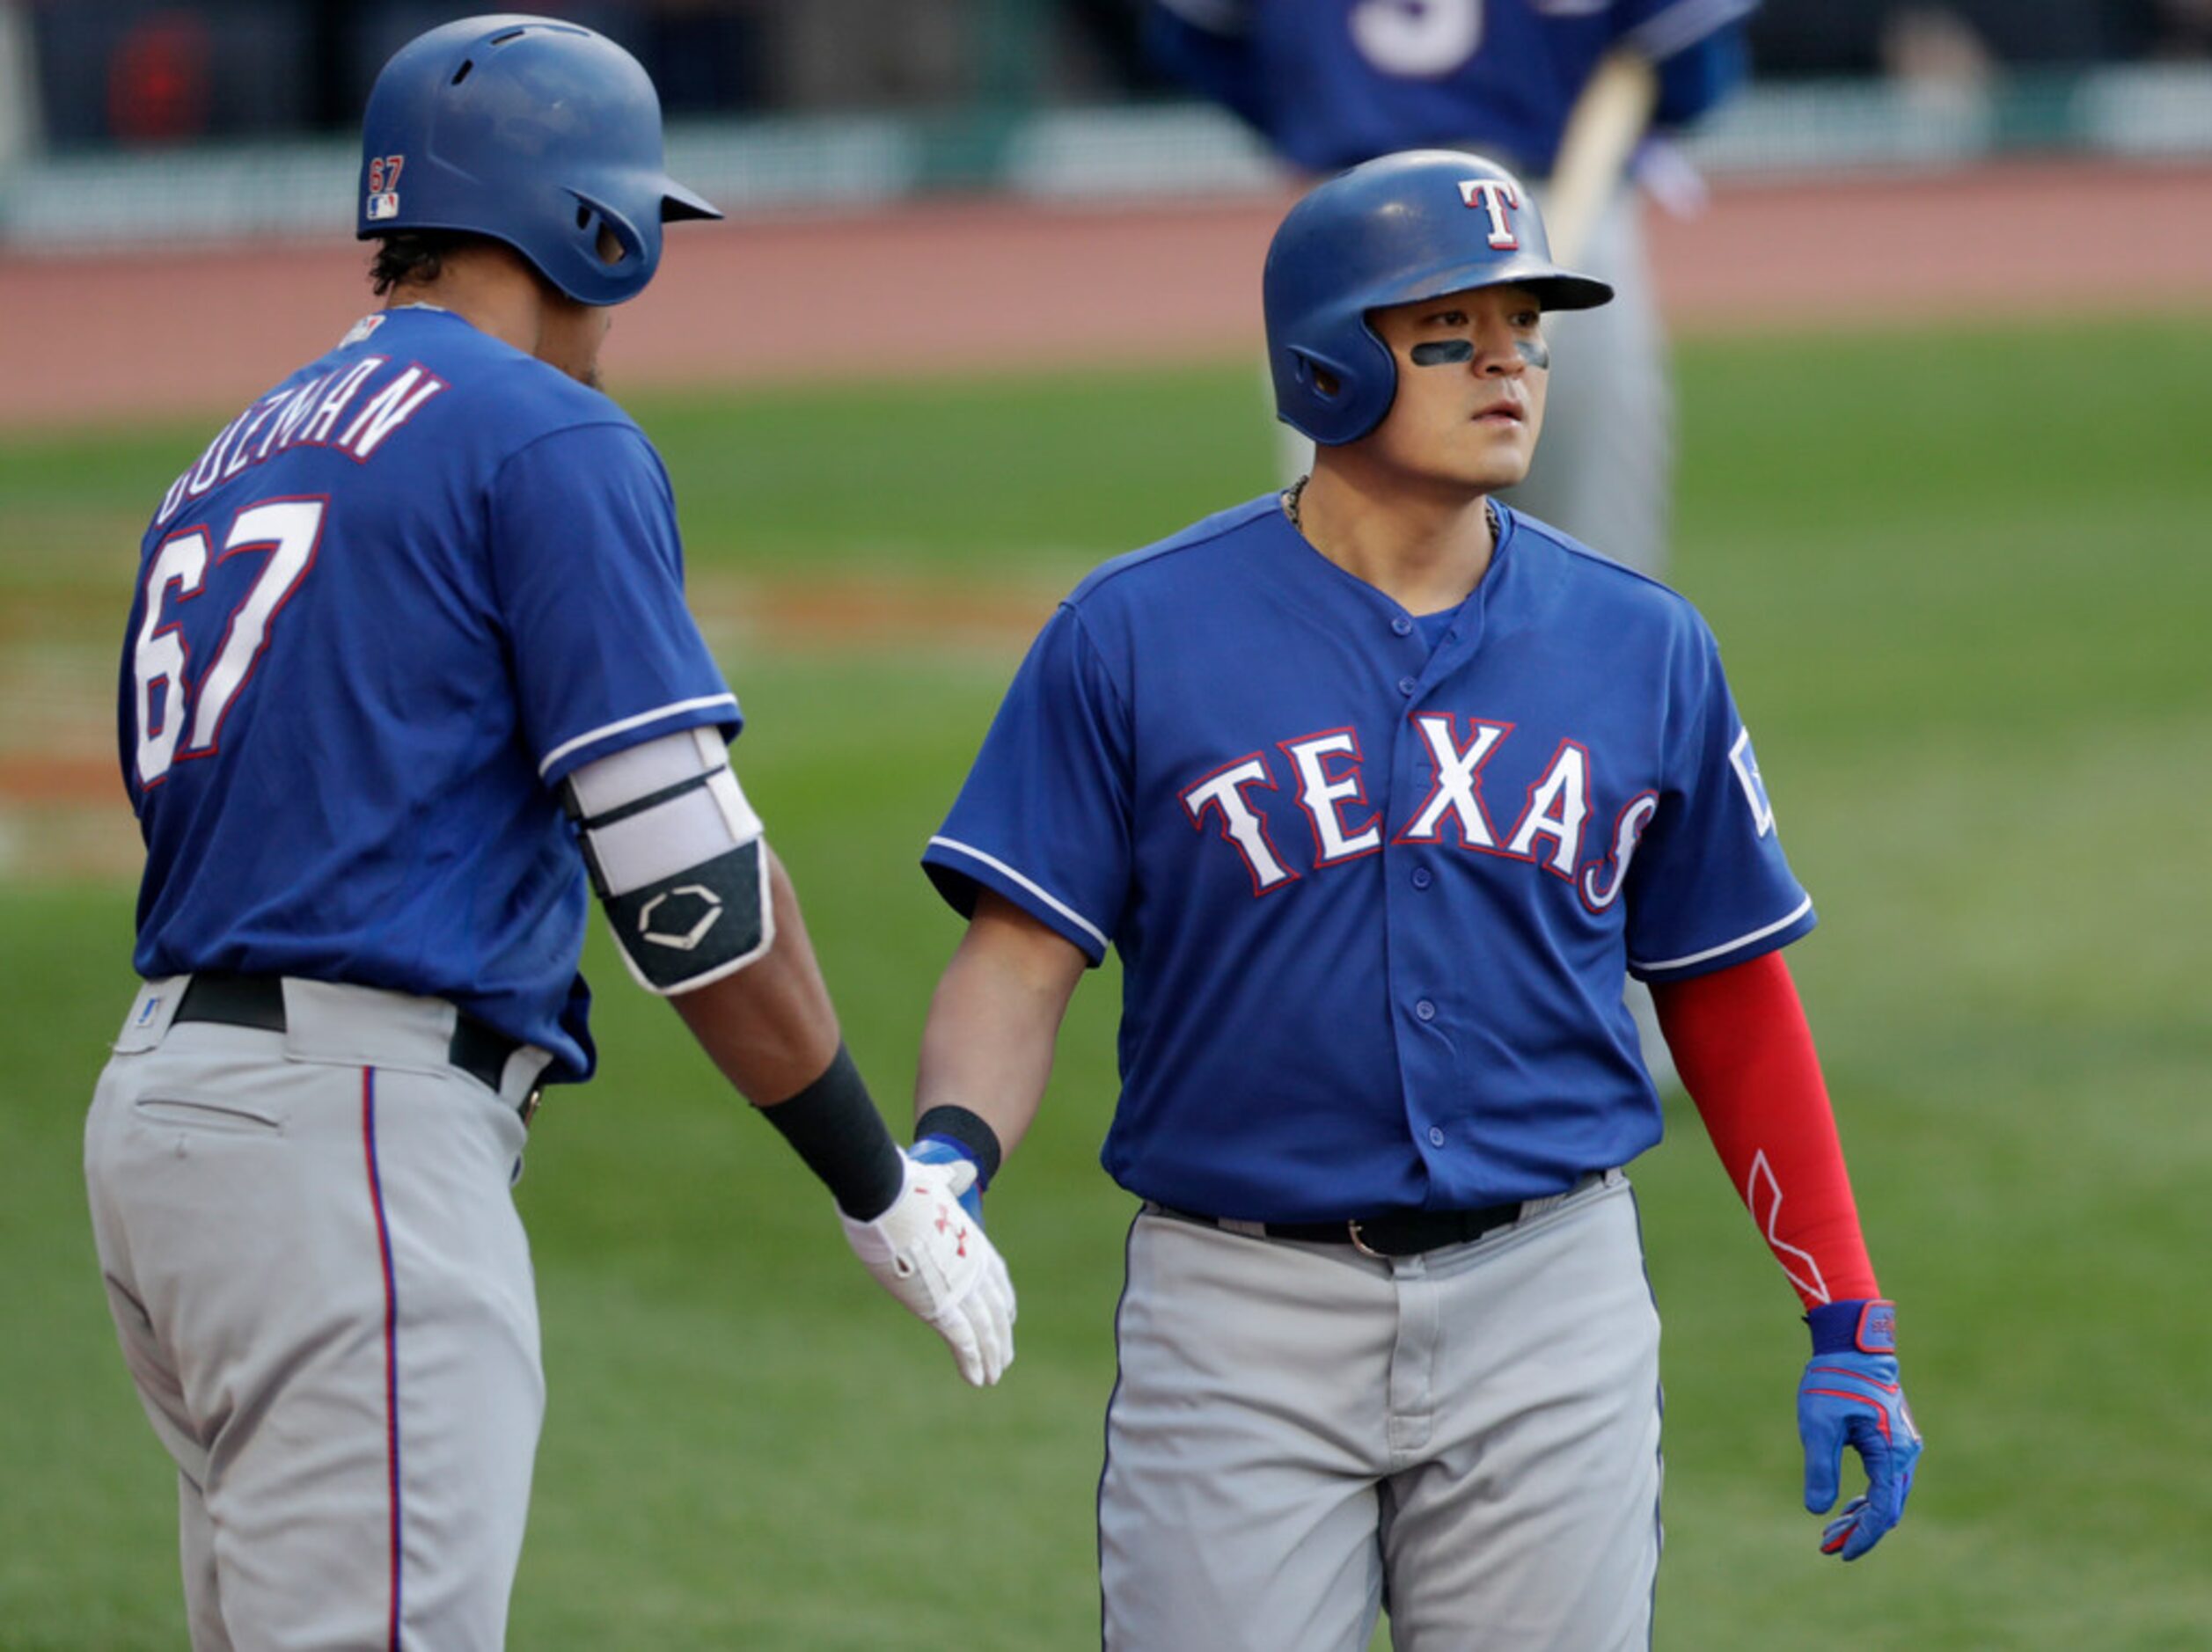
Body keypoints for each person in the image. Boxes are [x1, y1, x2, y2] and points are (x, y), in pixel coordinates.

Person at [84, 17, 1011, 1650]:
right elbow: (692, 890)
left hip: (167, 1127)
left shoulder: (225, 455)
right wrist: (878, 1186)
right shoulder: (540, 432)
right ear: (598, 225)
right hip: (347, 1141)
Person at [909, 151, 1918, 1649]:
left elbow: (1722, 986)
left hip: (1548, 1301)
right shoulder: (1130, 634)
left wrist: (1844, 1310)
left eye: (1524, 325)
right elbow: (1020, 954)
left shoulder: (1641, 644)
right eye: (1447, 330)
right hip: (1233, 1308)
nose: (1506, 360)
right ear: (1323, 364)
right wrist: (948, 1156)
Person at [1145, 0, 1758, 581]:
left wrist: (1323, 124)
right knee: (1594, 582)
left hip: (1358, 228)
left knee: (1357, 590)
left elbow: (1202, 44)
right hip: (1550, 209)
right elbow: (1685, 64)